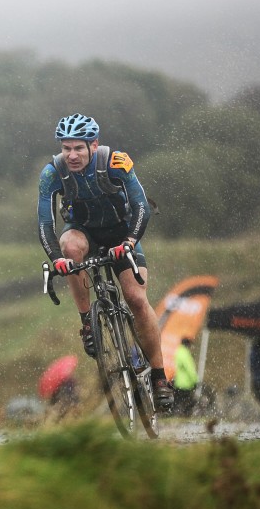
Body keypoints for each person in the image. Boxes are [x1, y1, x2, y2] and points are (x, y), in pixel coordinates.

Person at [36, 113, 172, 410]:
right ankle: (88, 321)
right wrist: (56, 259)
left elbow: (141, 207)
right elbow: (45, 223)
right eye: (66, 148)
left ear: (93, 146)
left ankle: (160, 376)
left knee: (136, 298)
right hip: (83, 232)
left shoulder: (116, 162)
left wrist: (130, 242)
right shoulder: (51, 173)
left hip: (122, 234)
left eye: (78, 148)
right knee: (69, 248)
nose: (71, 155)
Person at [172, 337, 198, 416]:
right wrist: (195, 380)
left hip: (178, 382)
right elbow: (190, 369)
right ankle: (185, 415)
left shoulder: (178, 352)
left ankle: (175, 414)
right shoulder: (185, 354)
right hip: (186, 383)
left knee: (177, 401)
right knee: (188, 401)